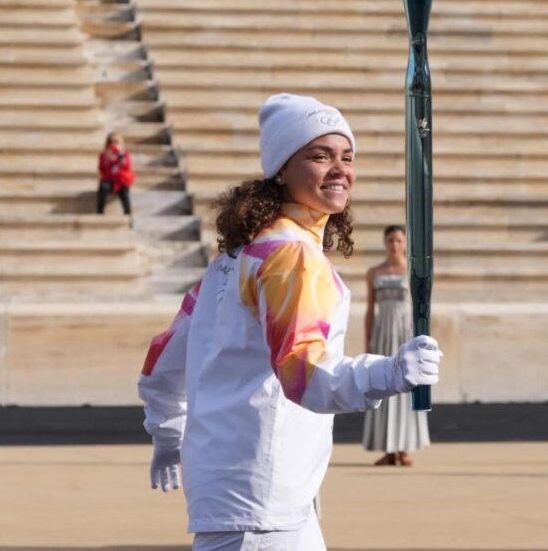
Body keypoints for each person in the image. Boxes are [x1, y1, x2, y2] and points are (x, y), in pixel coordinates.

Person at [137, 93, 442, 550]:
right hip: (264, 499)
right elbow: (304, 375)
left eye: (347, 156)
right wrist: (391, 372)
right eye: (320, 156)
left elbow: (162, 360)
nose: (340, 168)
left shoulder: (231, 261)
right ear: (282, 168)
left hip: (237, 495)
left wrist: (167, 431)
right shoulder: (290, 256)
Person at [362, 225, 430, 467]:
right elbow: (370, 309)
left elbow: (421, 306)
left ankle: (405, 446)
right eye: (390, 240)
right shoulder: (374, 272)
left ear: (405, 243)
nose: (395, 245)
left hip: (404, 333)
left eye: (399, 240)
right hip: (383, 333)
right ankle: (389, 449)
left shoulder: (412, 270)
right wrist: (368, 339)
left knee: (407, 384)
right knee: (383, 384)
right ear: (384, 243)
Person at [97, 133, 134, 216]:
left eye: (116, 142)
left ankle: (127, 213)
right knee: (102, 189)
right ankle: (100, 212)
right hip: (109, 180)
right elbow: (101, 169)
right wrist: (107, 160)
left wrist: (120, 158)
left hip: (121, 180)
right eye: (111, 142)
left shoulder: (124, 155)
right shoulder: (103, 155)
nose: (113, 145)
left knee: (125, 193)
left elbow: (127, 166)